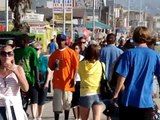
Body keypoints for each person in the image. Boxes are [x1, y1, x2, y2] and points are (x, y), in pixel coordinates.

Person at [113, 26, 160, 120]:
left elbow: (122, 76)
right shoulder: (155, 55)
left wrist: (116, 93)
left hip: (129, 100)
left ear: (134, 38)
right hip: (146, 101)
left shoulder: (128, 54)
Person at [48, 34, 79, 120]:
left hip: (68, 82)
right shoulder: (54, 54)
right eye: (58, 40)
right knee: (57, 104)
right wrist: (54, 65)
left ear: (65, 41)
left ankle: (66, 118)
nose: (60, 42)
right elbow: (51, 67)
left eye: (62, 40)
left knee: (67, 103)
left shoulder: (71, 52)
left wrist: (74, 78)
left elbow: (76, 66)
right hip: (57, 82)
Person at [14, 34, 39, 120]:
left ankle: (33, 116)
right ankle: (23, 114)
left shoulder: (32, 51)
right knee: (20, 101)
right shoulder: (15, 52)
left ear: (24, 41)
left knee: (33, 100)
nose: (16, 42)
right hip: (18, 80)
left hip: (30, 80)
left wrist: (37, 80)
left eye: (18, 40)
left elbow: (35, 66)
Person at [0, 44, 29, 120]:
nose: (6, 56)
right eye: (3, 53)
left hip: (13, 107)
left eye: (9, 53)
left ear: (13, 56)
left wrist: (16, 72)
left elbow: (25, 88)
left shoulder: (18, 68)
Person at [78, 44, 104, 120]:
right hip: (98, 93)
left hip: (85, 93)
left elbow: (79, 74)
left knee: (84, 118)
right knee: (97, 118)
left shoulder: (81, 65)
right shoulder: (101, 65)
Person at [32, 42, 51, 120]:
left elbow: (48, 71)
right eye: (34, 49)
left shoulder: (44, 58)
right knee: (34, 101)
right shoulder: (31, 58)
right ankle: (34, 117)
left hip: (43, 82)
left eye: (37, 49)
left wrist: (47, 83)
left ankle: (39, 116)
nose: (36, 51)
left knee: (41, 101)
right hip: (33, 82)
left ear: (40, 49)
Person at [71, 43, 84, 120]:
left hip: (81, 80)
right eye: (74, 48)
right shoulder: (70, 58)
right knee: (74, 100)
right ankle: (76, 118)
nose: (75, 50)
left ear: (79, 50)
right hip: (72, 81)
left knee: (80, 100)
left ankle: (79, 117)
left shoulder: (83, 58)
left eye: (76, 48)